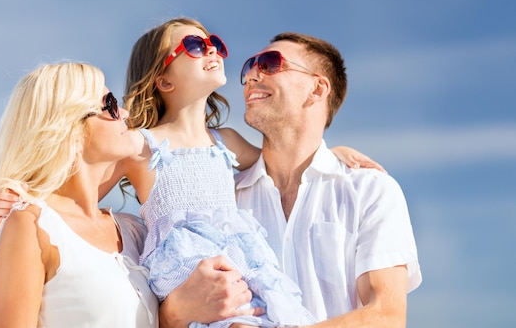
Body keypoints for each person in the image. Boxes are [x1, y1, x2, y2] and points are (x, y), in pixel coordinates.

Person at [160, 32, 422, 328]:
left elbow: (386, 316)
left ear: (317, 88)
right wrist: (173, 312)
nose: (250, 77)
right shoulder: (222, 197)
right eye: (249, 67)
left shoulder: (371, 190)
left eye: (270, 63)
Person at [0, 62, 158, 328]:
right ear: (69, 124)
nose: (125, 113)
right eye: (110, 103)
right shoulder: (31, 224)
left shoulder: (135, 230)